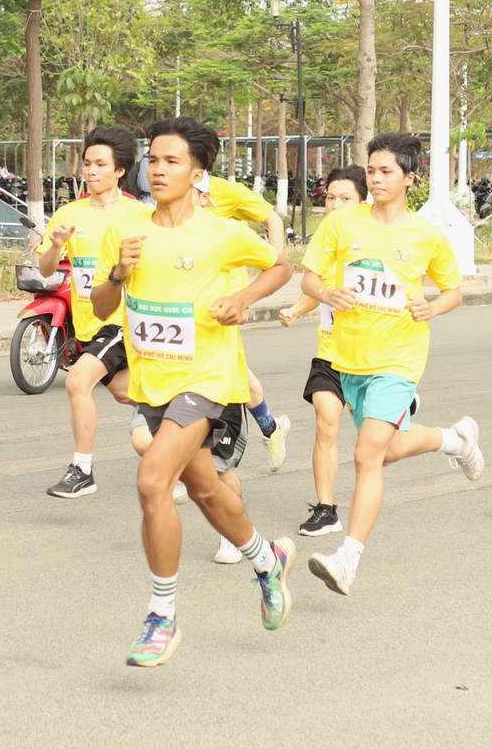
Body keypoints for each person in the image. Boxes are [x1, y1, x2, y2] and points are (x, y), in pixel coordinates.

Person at [90, 116, 295, 668]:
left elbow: (279, 266)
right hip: (154, 383)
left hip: (208, 380)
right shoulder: (129, 231)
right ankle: (266, 560)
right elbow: (102, 308)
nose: (157, 170)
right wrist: (116, 272)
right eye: (152, 160)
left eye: (171, 160)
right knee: (205, 491)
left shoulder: (220, 230)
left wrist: (246, 297)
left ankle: (162, 616)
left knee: (152, 480)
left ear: (198, 171)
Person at [302, 133, 484, 596]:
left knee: (365, 456)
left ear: (409, 178)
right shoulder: (343, 224)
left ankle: (348, 558)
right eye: (371, 170)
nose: (376, 178)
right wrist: (327, 293)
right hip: (347, 358)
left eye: (386, 171)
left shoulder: (426, 235)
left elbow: (453, 290)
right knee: (387, 450)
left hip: (399, 360)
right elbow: (309, 275)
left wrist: (432, 308)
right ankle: (454, 439)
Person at [40, 127, 149, 498]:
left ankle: (82, 470)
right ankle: (197, 413)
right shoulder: (69, 213)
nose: (91, 171)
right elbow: (45, 269)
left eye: (101, 164)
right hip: (87, 325)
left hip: (121, 321)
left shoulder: (140, 214)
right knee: (127, 393)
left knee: (76, 382)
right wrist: (56, 246)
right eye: (87, 163)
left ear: (119, 170)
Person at [277, 166, 369, 537]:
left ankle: (449, 437)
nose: (335, 204)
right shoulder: (326, 241)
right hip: (330, 356)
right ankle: (327, 509)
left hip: (370, 358)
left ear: (364, 201)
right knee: (325, 425)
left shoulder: (374, 241)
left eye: (345, 198)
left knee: (382, 445)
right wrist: (296, 310)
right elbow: (316, 285)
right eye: (331, 197)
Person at [194, 169, 291, 470]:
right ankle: (271, 428)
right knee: (234, 369)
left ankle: (204, 453)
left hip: (227, 298)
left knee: (225, 367)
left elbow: (272, 219)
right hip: (193, 291)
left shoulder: (228, 192)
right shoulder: (169, 192)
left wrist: (271, 267)